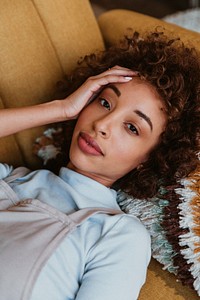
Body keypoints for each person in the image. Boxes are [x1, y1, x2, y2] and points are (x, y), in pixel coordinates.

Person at [0, 31, 199, 300]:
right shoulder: (13, 178)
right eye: (104, 102)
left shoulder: (117, 234)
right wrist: (61, 108)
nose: (101, 125)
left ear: (151, 158)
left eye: (132, 128)